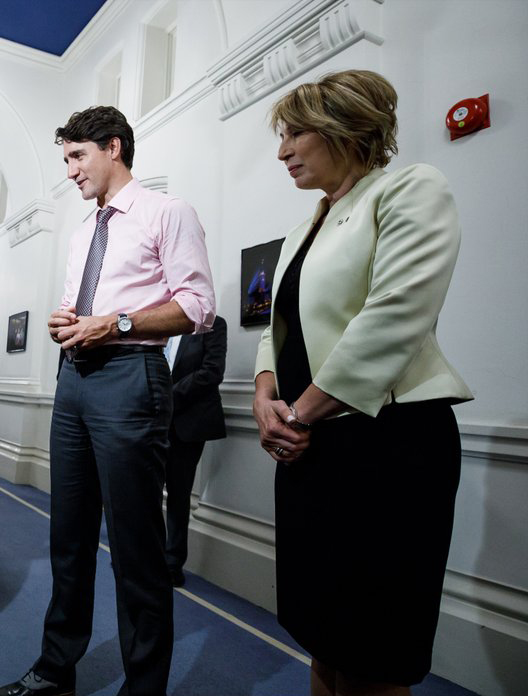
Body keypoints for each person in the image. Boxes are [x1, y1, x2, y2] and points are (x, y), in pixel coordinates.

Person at [253, 70, 473, 696]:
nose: (282, 149)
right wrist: (264, 396)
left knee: (373, 653)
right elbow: (279, 330)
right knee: (324, 636)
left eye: (295, 132)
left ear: (343, 128)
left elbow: (394, 317)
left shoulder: (410, 188)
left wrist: (297, 416)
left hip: (388, 445)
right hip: (310, 447)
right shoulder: (303, 229)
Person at [0, 106, 216, 696]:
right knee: (67, 537)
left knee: (136, 549)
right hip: (75, 379)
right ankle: (55, 667)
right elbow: (80, 311)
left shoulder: (168, 213)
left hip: (131, 376)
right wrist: (65, 323)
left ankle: (143, 688)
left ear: (113, 147)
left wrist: (111, 324)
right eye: (65, 158)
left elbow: (197, 307)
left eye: (76, 156)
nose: (69, 171)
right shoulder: (83, 231)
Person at [164, 314, 226, 587]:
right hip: (150, 421)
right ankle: (144, 556)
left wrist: (165, 396)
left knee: (179, 495)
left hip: (187, 424)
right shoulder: (161, 327)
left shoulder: (214, 325)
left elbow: (212, 372)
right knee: (143, 492)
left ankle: (172, 563)